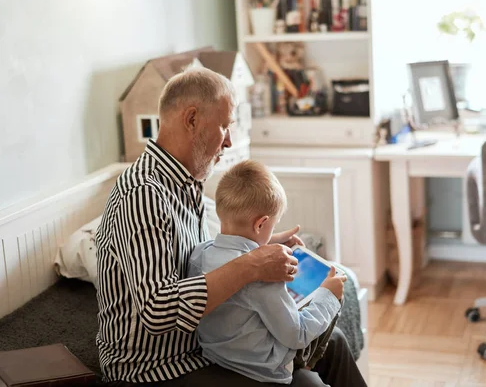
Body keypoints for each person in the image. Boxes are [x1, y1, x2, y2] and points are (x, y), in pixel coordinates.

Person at [95, 66, 365, 386]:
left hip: (204, 343)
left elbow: (198, 259)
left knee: (332, 343)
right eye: (225, 126)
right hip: (155, 366)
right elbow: (158, 310)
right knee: (309, 384)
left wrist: (259, 245)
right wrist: (251, 263)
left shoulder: (184, 182)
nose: (229, 141)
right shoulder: (143, 195)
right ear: (192, 119)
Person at [187, 160, 356, 385]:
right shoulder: (262, 277)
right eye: (272, 227)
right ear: (261, 224)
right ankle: (307, 360)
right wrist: (328, 295)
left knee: (333, 336)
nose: (273, 231)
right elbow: (297, 334)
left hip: (219, 356)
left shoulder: (200, 254)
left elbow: (235, 246)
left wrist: (272, 239)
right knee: (331, 299)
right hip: (263, 368)